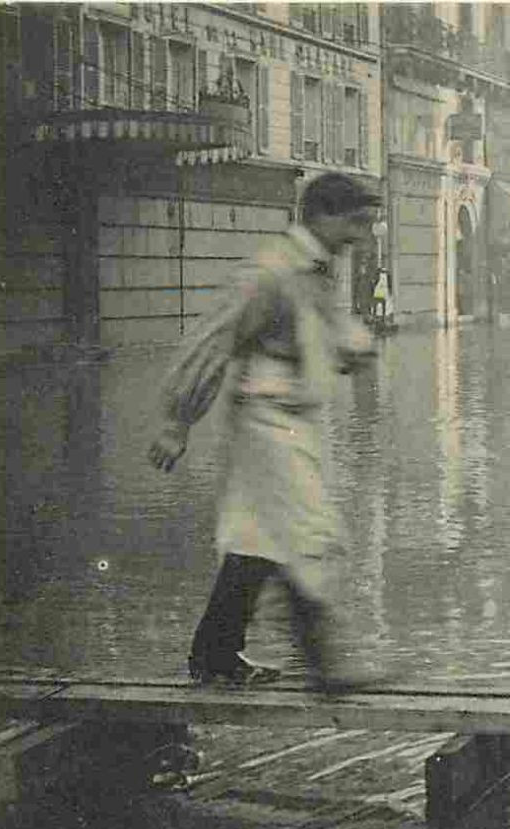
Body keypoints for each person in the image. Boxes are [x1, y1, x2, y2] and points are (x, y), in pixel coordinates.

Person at [149, 172, 383, 693]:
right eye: (356, 223)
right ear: (323, 215)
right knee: (306, 531)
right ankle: (327, 665)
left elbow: (319, 331)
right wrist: (177, 420)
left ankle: (214, 654)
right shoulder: (273, 270)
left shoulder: (317, 269)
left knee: (257, 538)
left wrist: (351, 347)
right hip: (266, 419)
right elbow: (215, 339)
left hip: (296, 418)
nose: (360, 236)